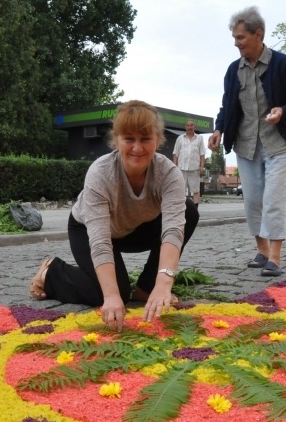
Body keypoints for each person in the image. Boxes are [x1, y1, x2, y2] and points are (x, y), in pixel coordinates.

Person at [28, 100, 200, 331]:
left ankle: (147, 288)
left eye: (145, 139)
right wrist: (111, 296)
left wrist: (163, 283)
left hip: (136, 227)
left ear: (158, 140)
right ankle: (52, 272)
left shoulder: (169, 173)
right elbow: (99, 241)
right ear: (116, 140)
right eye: (129, 139)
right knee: (110, 292)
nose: (137, 148)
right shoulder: (101, 172)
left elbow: (172, 230)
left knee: (189, 211)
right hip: (88, 229)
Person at [207, 6, 286, 277]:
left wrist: (283, 111)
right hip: (246, 144)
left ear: (258, 34)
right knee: (252, 200)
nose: (236, 43)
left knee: (273, 199)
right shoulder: (233, 70)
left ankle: (275, 257)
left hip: (279, 143)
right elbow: (227, 105)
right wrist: (218, 130)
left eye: (240, 37)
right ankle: (261, 251)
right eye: (235, 38)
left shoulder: (282, 63)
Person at [172, 119, 206, 206]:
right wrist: (174, 167)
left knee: (196, 190)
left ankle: (195, 210)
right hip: (181, 169)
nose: (189, 127)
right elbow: (176, 153)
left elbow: (202, 154)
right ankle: (182, 210)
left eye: (191, 125)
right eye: (188, 125)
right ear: (185, 127)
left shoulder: (199, 138)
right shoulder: (180, 138)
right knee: (181, 191)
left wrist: (202, 166)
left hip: (194, 169)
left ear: (194, 127)